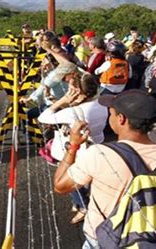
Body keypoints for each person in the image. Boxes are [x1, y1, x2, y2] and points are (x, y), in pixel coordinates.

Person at [53, 90, 156, 248]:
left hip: (102, 236)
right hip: (145, 239)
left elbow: (60, 186)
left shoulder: (99, 154)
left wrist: (73, 146)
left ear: (121, 119)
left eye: (111, 114)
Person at [38, 73, 107, 224]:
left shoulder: (73, 112)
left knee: (73, 181)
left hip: (76, 152)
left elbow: (42, 118)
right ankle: (84, 203)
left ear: (79, 93)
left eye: (71, 90)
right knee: (88, 180)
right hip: (96, 144)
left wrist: (62, 101)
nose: (67, 92)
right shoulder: (101, 103)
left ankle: (83, 207)